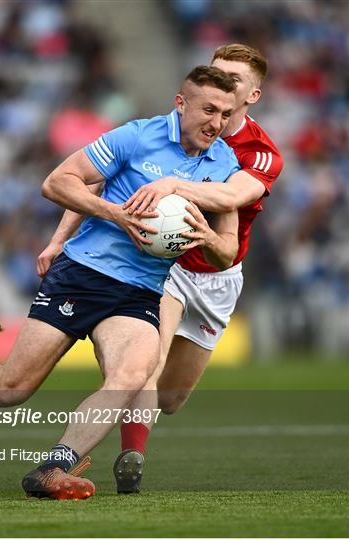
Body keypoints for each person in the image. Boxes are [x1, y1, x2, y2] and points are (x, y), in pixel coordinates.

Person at [0, 66, 241, 500]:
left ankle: (54, 468)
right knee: (12, 388)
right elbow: (57, 182)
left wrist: (207, 237)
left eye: (226, 114)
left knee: (131, 374)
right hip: (83, 274)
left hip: (142, 291)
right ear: (181, 102)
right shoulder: (135, 136)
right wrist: (116, 213)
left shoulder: (225, 164)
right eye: (209, 109)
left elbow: (227, 249)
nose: (217, 122)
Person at [114, 44, 284, 493]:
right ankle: (131, 457)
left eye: (234, 78)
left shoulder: (262, 153)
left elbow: (230, 198)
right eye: (216, 72)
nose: (222, 82)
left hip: (219, 273)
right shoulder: (177, 127)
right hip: (165, 267)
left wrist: (173, 184)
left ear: (253, 95)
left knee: (171, 399)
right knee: (145, 363)